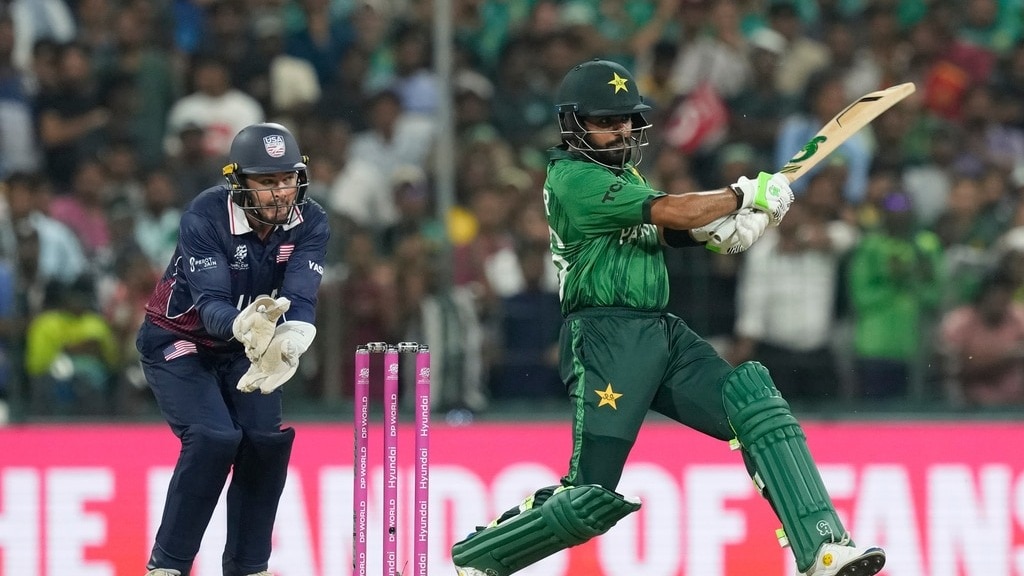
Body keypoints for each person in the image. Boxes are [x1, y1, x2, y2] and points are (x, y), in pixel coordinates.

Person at [450, 59, 885, 576]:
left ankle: (823, 547)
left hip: (659, 329)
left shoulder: (623, 173)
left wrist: (723, 228)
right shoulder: (572, 178)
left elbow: (666, 229)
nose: (623, 129)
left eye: (628, 119)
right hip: (606, 337)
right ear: (572, 124)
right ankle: (482, 559)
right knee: (589, 497)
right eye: (607, 120)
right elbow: (671, 210)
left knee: (754, 404)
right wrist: (742, 196)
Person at [136, 122, 329, 576]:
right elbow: (209, 306)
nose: (280, 193)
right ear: (238, 182)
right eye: (266, 182)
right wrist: (243, 324)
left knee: (265, 441)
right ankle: (168, 566)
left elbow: (301, 299)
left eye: (287, 179)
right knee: (213, 437)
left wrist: (294, 338)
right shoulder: (205, 215)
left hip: (248, 347)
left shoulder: (312, 220)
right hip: (180, 340)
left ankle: (248, 568)